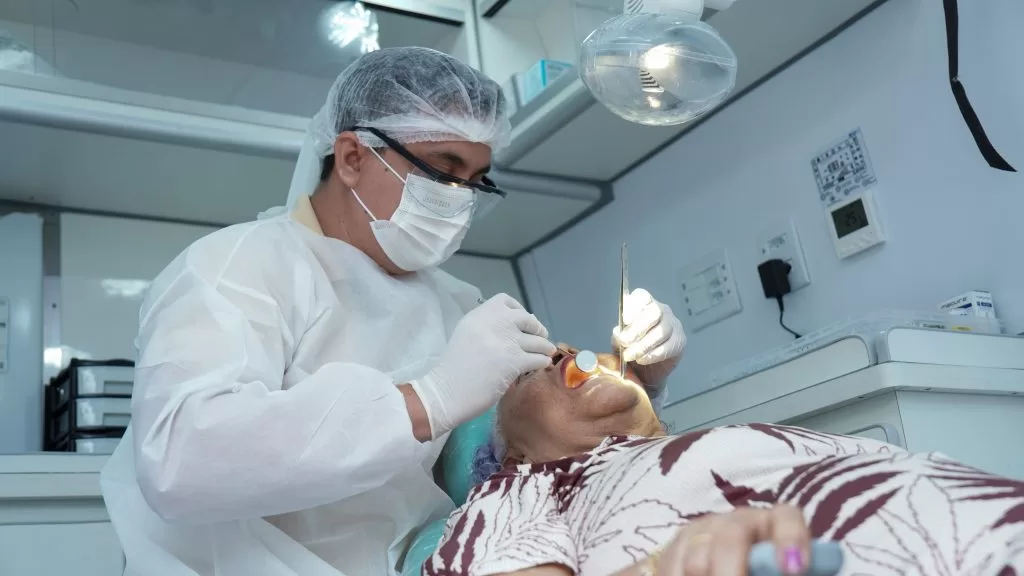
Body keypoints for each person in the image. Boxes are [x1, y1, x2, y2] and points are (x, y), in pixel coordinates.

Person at [98, 47, 687, 576]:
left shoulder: (460, 304)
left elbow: (517, 467)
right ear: (353, 157)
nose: (460, 199)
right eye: (442, 172)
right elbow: (181, 463)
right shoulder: (238, 268)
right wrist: (426, 400)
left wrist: (635, 382)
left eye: (477, 181)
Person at [426, 348, 1024, 576]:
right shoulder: (519, 491)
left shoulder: (724, 441)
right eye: (531, 372)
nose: (565, 353)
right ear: (512, 453)